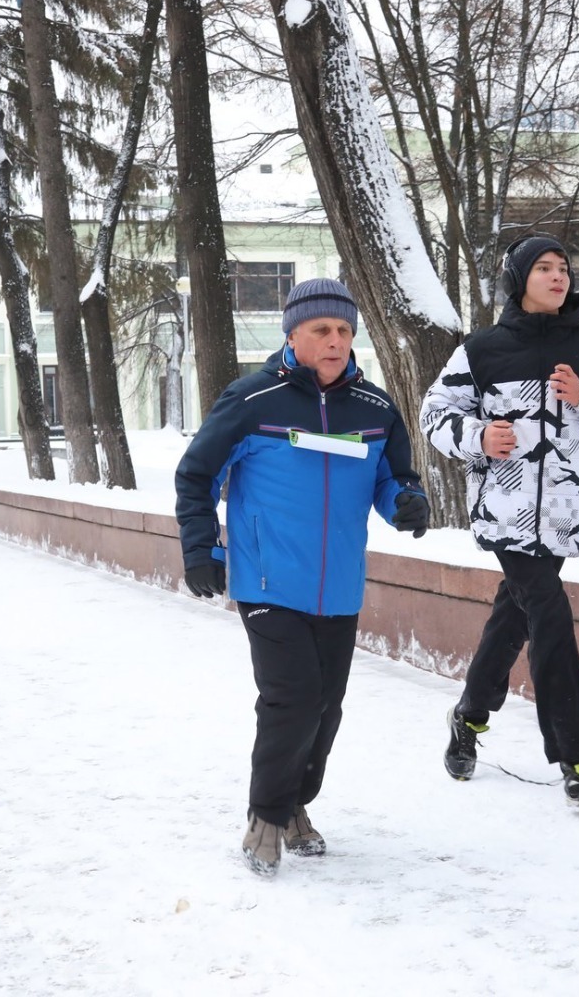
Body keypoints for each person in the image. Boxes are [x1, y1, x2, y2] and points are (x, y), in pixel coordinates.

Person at [175, 278, 430, 878]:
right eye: (322, 330)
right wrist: (201, 546)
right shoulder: (252, 400)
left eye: (343, 330)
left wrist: (406, 501)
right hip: (267, 579)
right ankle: (265, 817)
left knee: (326, 707)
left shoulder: (375, 409)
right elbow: (196, 475)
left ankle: (294, 805)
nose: (336, 341)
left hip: (338, 584)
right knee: (292, 697)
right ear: (292, 334)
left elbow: (394, 477)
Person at [420, 236, 579, 806]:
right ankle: (577, 760)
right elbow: (434, 413)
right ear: (519, 279)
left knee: (515, 614)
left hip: (566, 515)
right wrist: (478, 436)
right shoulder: (482, 350)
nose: (557, 276)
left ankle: (468, 716)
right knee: (548, 611)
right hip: (505, 511)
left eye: (563, 267)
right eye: (543, 268)